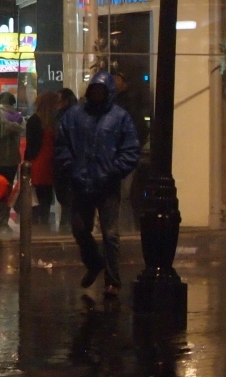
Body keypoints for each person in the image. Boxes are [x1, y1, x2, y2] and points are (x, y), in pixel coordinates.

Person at [55, 71, 141, 297]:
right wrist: (71, 167)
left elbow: (131, 149)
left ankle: (113, 280)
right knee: (79, 229)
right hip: (81, 182)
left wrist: (114, 170)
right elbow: (62, 144)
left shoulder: (119, 117)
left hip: (107, 184)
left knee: (110, 234)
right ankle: (94, 262)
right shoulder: (74, 116)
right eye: (94, 90)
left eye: (101, 90)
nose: (97, 94)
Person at [0, 92, 24, 228]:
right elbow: (21, 130)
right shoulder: (17, 114)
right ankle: (4, 218)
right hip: (12, 158)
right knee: (7, 189)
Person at [24, 90, 60, 226]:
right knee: (45, 194)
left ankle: (37, 223)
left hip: (39, 161)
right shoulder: (53, 121)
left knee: (37, 194)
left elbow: (31, 145)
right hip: (47, 161)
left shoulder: (35, 120)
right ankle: (43, 222)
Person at [53, 88, 78, 229]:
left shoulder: (68, 116)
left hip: (67, 161)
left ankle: (67, 225)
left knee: (67, 196)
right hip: (63, 160)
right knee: (64, 196)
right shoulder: (61, 115)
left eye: (58, 100)